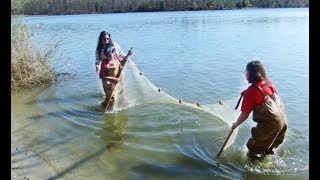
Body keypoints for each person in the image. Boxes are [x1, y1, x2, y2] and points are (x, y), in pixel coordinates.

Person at [231, 60, 288, 158]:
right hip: (283, 124)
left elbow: (245, 114)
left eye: (246, 71)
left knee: (253, 152)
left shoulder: (251, 91)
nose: (245, 74)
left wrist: (235, 125)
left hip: (270, 125)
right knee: (268, 151)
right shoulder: (269, 83)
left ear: (251, 73)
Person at [95, 31, 133, 110]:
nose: (106, 41)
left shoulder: (114, 45)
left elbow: (122, 55)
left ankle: (123, 102)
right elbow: (97, 60)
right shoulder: (100, 50)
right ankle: (107, 106)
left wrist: (128, 55)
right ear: (101, 39)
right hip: (107, 73)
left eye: (108, 39)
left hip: (116, 68)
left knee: (121, 89)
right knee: (110, 93)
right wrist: (97, 65)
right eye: (104, 39)